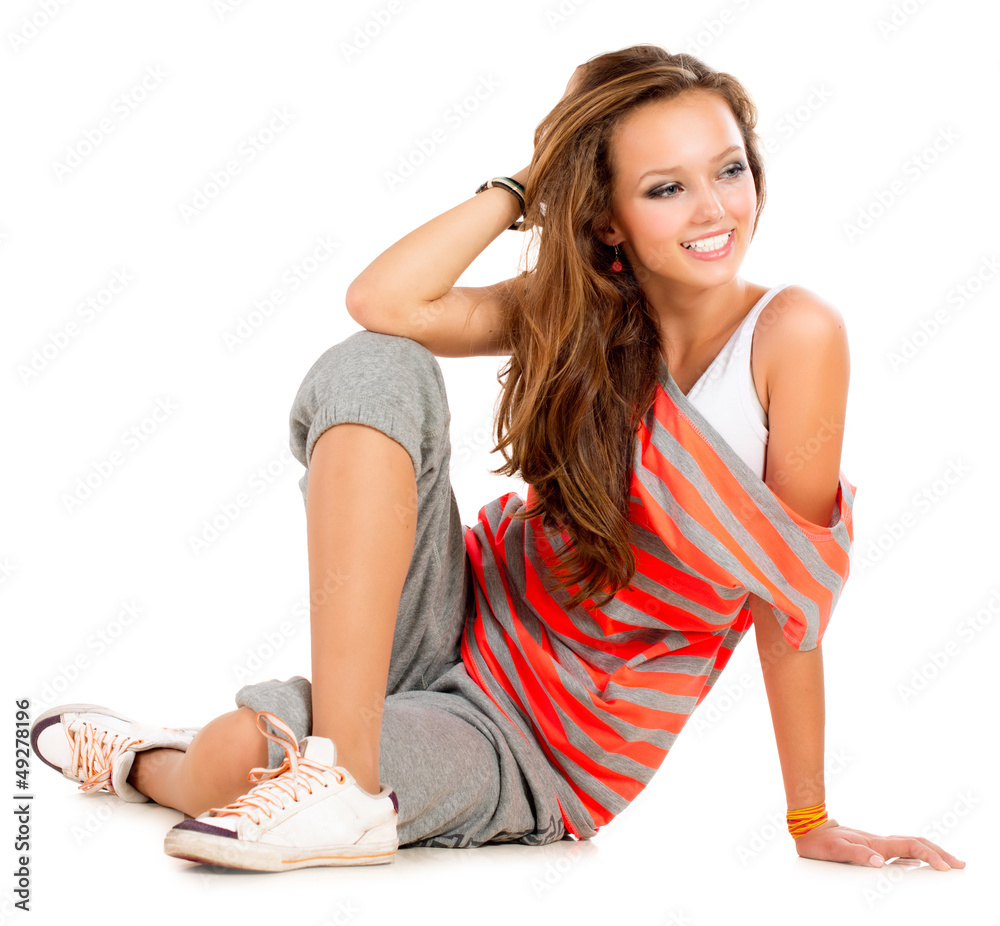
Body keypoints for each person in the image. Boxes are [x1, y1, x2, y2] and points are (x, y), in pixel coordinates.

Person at [30, 44, 966, 874]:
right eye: (665, 186)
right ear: (607, 217)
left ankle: (160, 761)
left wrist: (811, 816)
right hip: (454, 612)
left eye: (728, 169)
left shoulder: (793, 334)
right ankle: (343, 778)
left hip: (540, 743)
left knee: (240, 750)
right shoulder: (583, 310)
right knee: (378, 366)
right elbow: (384, 302)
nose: (715, 208)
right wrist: (528, 184)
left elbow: (790, 591)